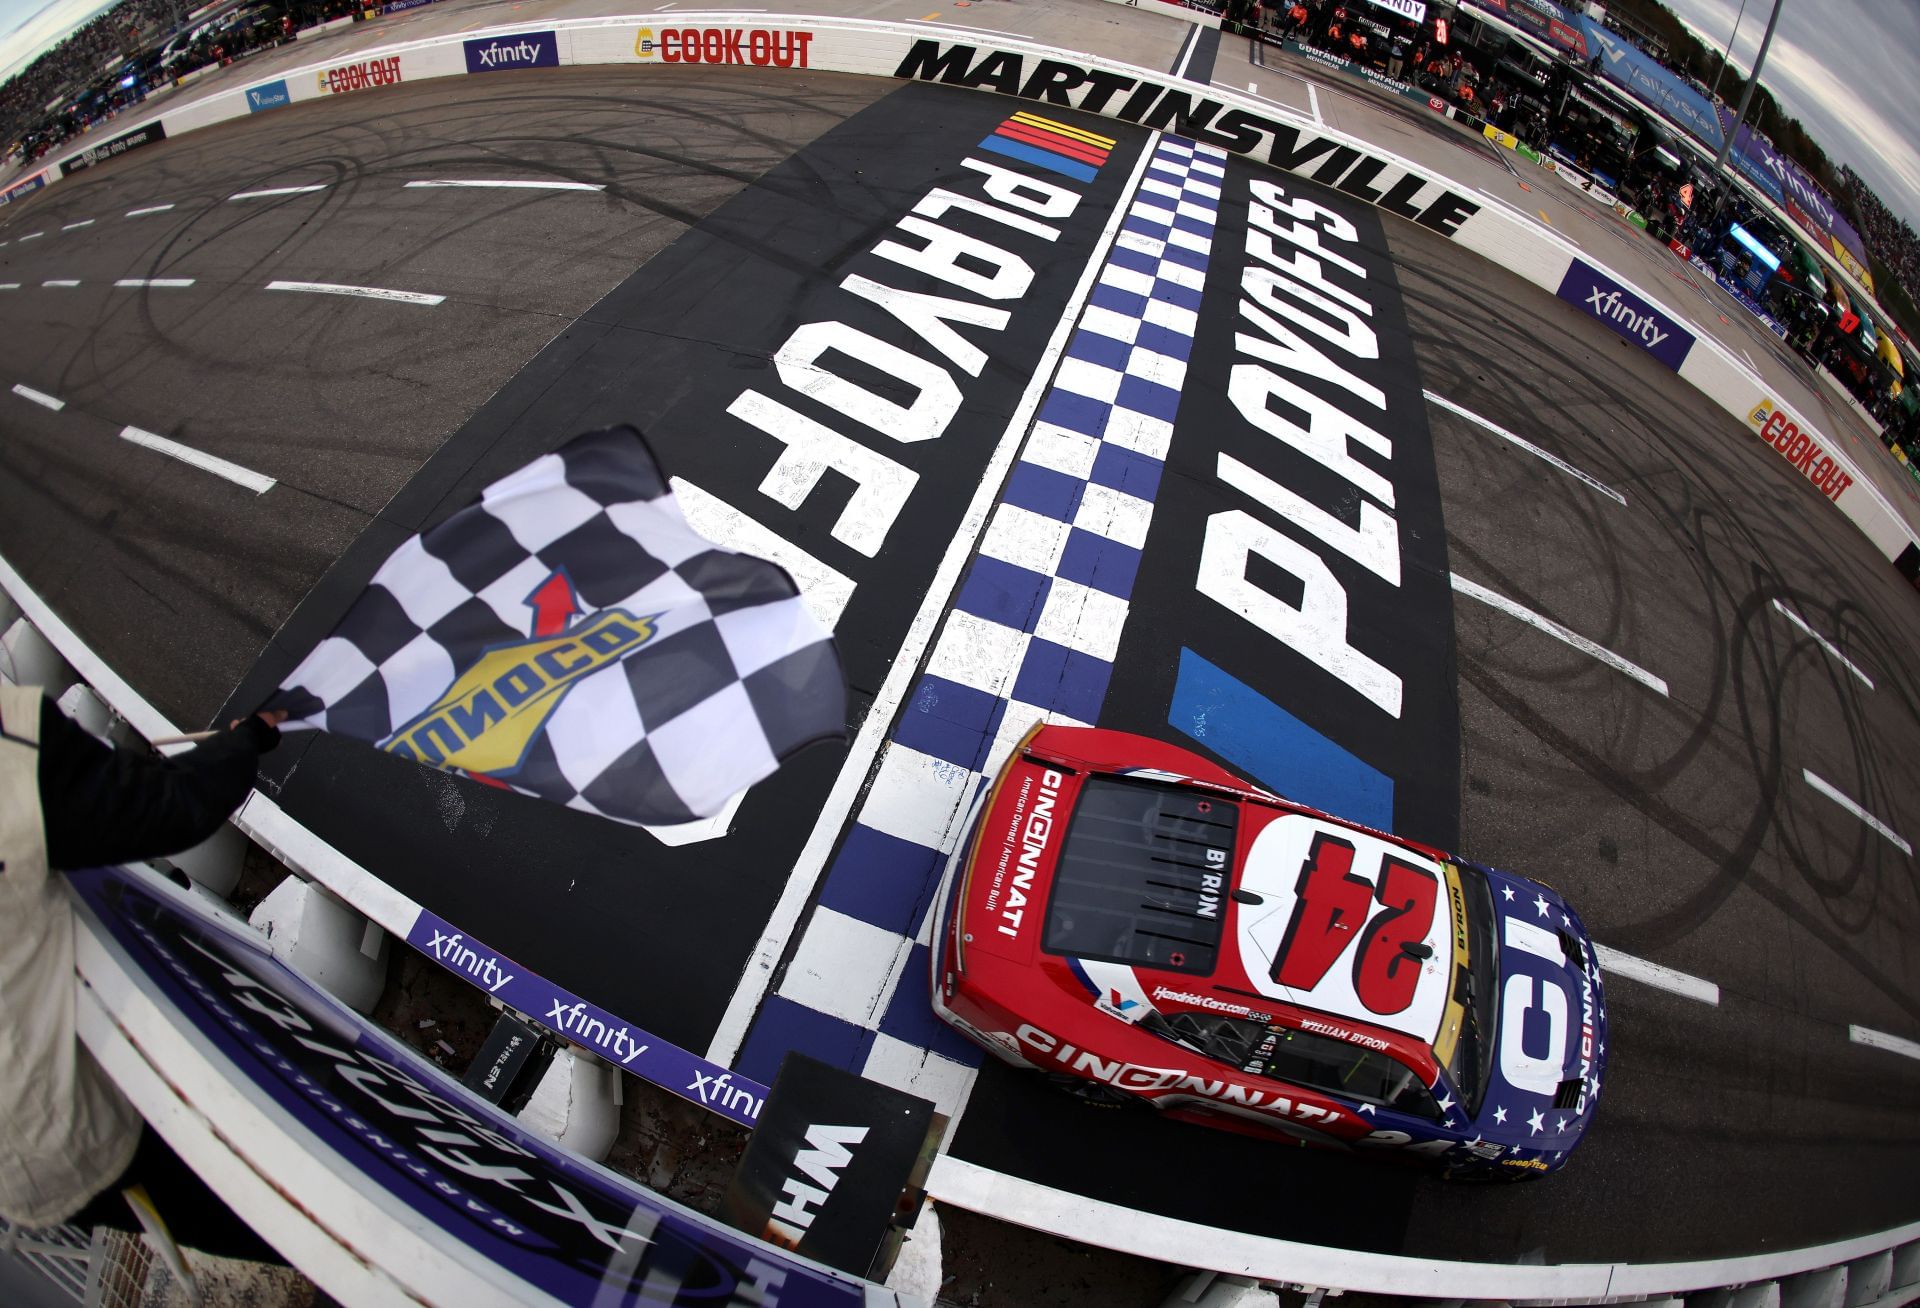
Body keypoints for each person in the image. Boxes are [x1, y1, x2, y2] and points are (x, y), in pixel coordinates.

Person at [0, 682, 286, 1258]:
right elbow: (169, 806)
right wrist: (247, 739)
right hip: (80, 1117)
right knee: (286, 1216)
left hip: (30, 1167)